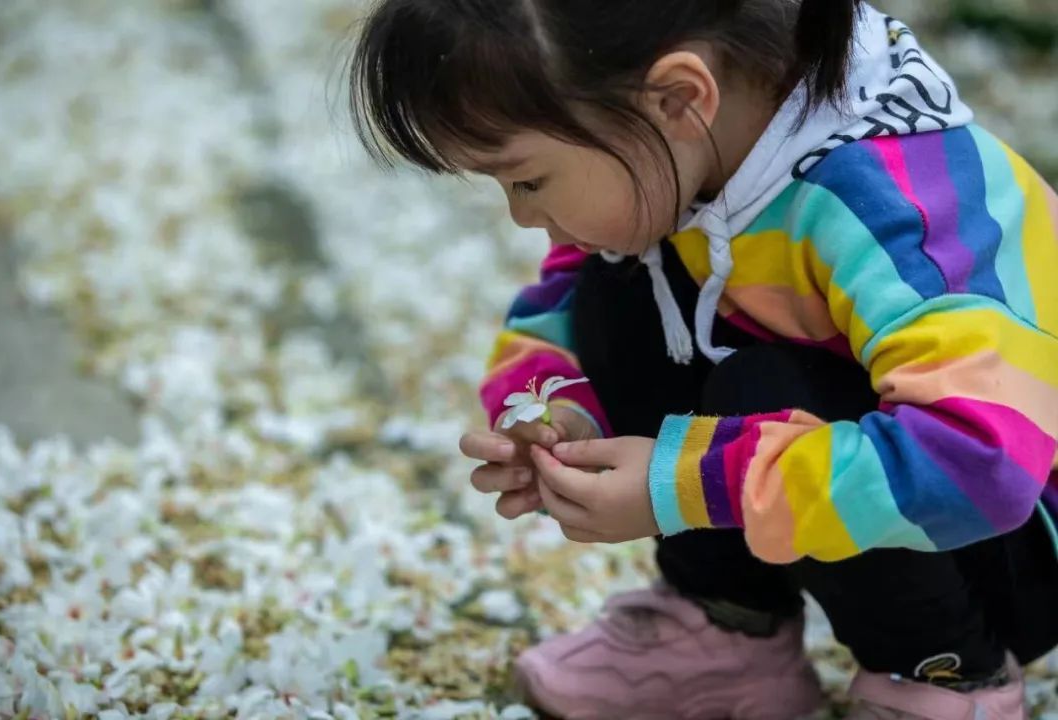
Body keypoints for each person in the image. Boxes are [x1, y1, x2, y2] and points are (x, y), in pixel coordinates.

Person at [348, 1, 1058, 717]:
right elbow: (562, 300)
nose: (523, 216)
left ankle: (946, 674)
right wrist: (557, 403)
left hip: (1016, 530)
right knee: (617, 277)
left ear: (680, 97)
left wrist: (688, 485)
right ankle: (731, 627)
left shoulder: (895, 207)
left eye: (527, 180)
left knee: (762, 383)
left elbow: (977, 462)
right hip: (911, 482)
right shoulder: (704, 153)